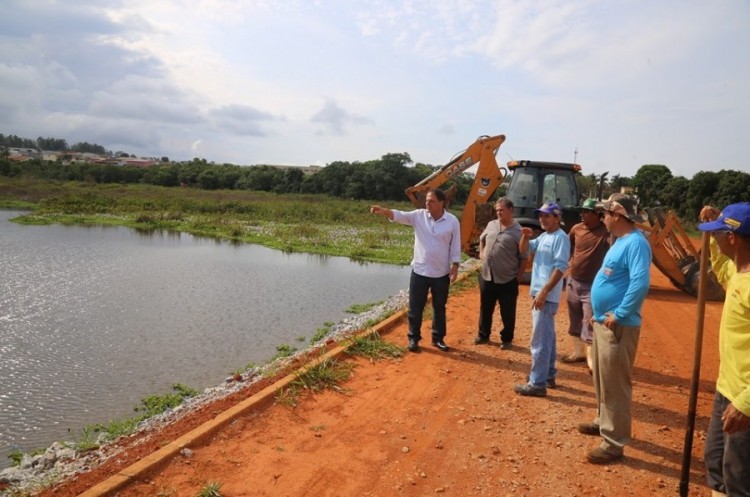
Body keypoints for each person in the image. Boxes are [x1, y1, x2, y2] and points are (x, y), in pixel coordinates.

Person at [578, 193, 651, 464]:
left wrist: (619, 314)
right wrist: (597, 314)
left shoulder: (636, 243)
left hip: (618, 325)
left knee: (616, 384)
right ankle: (602, 420)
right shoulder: (621, 241)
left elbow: (640, 283)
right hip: (604, 322)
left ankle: (613, 443)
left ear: (617, 216)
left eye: (605, 214)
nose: (602, 218)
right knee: (601, 378)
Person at [698, 202, 750, 497]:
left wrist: (746, 403)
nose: (713, 238)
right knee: (716, 464)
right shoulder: (737, 271)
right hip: (726, 388)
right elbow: (721, 268)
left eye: (717, 233)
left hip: (744, 397)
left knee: (739, 479)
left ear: (733, 237)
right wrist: (716, 220)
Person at [370, 189, 461, 353]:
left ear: (442, 203)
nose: (427, 203)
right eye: (426, 200)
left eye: (431, 201)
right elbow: (400, 215)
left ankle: (438, 338)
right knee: (415, 307)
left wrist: (455, 266)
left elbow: (455, 245)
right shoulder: (419, 215)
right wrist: (385, 212)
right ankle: (413, 338)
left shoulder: (452, 221)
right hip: (419, 270)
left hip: (441, 273)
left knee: (439, 307)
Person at [514, 202, 570, 397]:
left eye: (546, 216)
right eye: (540, 216)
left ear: (557, 217)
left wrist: (545, 291)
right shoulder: (545, 236)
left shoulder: (561, 238)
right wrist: (525, 235)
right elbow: (524, 251)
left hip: (545, 296)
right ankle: (548, 375)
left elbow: (560, 267)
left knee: (540, 340)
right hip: (540, 293)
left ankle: (537, 383)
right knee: (548, 337)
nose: (542, 219)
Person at [562, 198, 610, 367]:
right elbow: (568, 247)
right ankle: (578, 352)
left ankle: (591, 360)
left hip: (592, 285)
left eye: (586, 212)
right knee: (574, 316)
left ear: (597, 215)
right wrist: (567, 264)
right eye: (582, 211)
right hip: (573, 281)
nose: (582, 214)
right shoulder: (576, 229)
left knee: (589, 319)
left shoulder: (605, 232)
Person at [474, 198, 527, 349]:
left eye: (501, 210)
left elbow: (524, 257)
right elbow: (481, 238)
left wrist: (518, 276)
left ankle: (507, 339)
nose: (498, 213)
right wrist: (481, 252)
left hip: (507, 279)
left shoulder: (519, 231)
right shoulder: (492, 225)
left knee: (508, 311)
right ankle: (483, 335)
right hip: (487, 275)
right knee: (486, 308)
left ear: (511, 210)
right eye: (497, 210)